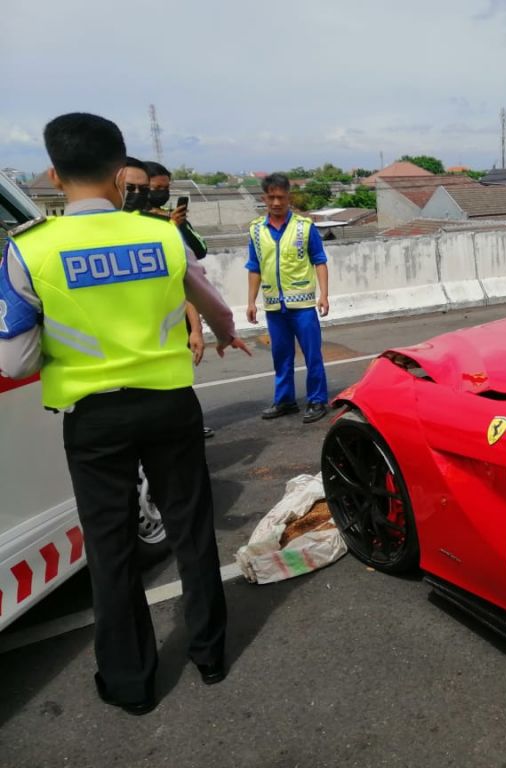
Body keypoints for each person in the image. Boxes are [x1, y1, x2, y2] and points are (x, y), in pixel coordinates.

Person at [0, 112, 251, 715]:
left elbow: (15, 360)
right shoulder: (162, 235)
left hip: (94, 420)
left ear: (55, 175)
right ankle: (211, 656)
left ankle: (131, 683)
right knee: (191, 532)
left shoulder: (30, 249)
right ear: (120, 173)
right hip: (169, 405)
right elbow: (214, 306)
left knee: (109, 549)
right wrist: (221, 334)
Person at [246, 173, 329, 423]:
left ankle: (317, 399)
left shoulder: (305, 227)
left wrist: (324, 295)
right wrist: (251, 301)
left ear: (288, 197)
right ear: (264, 198)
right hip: (273, 306)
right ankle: (285, 400)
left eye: (280, 197)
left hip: (302, 305)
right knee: (281, 356)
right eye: (271, 197)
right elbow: (254, 267)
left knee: (312, 354)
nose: (276, 202)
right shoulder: (256, 230)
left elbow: (320, 261)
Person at [144, 160, 213, 437]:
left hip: (178, 314)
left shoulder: (172, 219)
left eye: (166, 188)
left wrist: (178, 227)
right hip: (147, 317)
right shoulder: (132, 223)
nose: (161, 192)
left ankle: (186, 425)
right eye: (155, 188)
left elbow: (199, 251)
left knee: (179, 375)